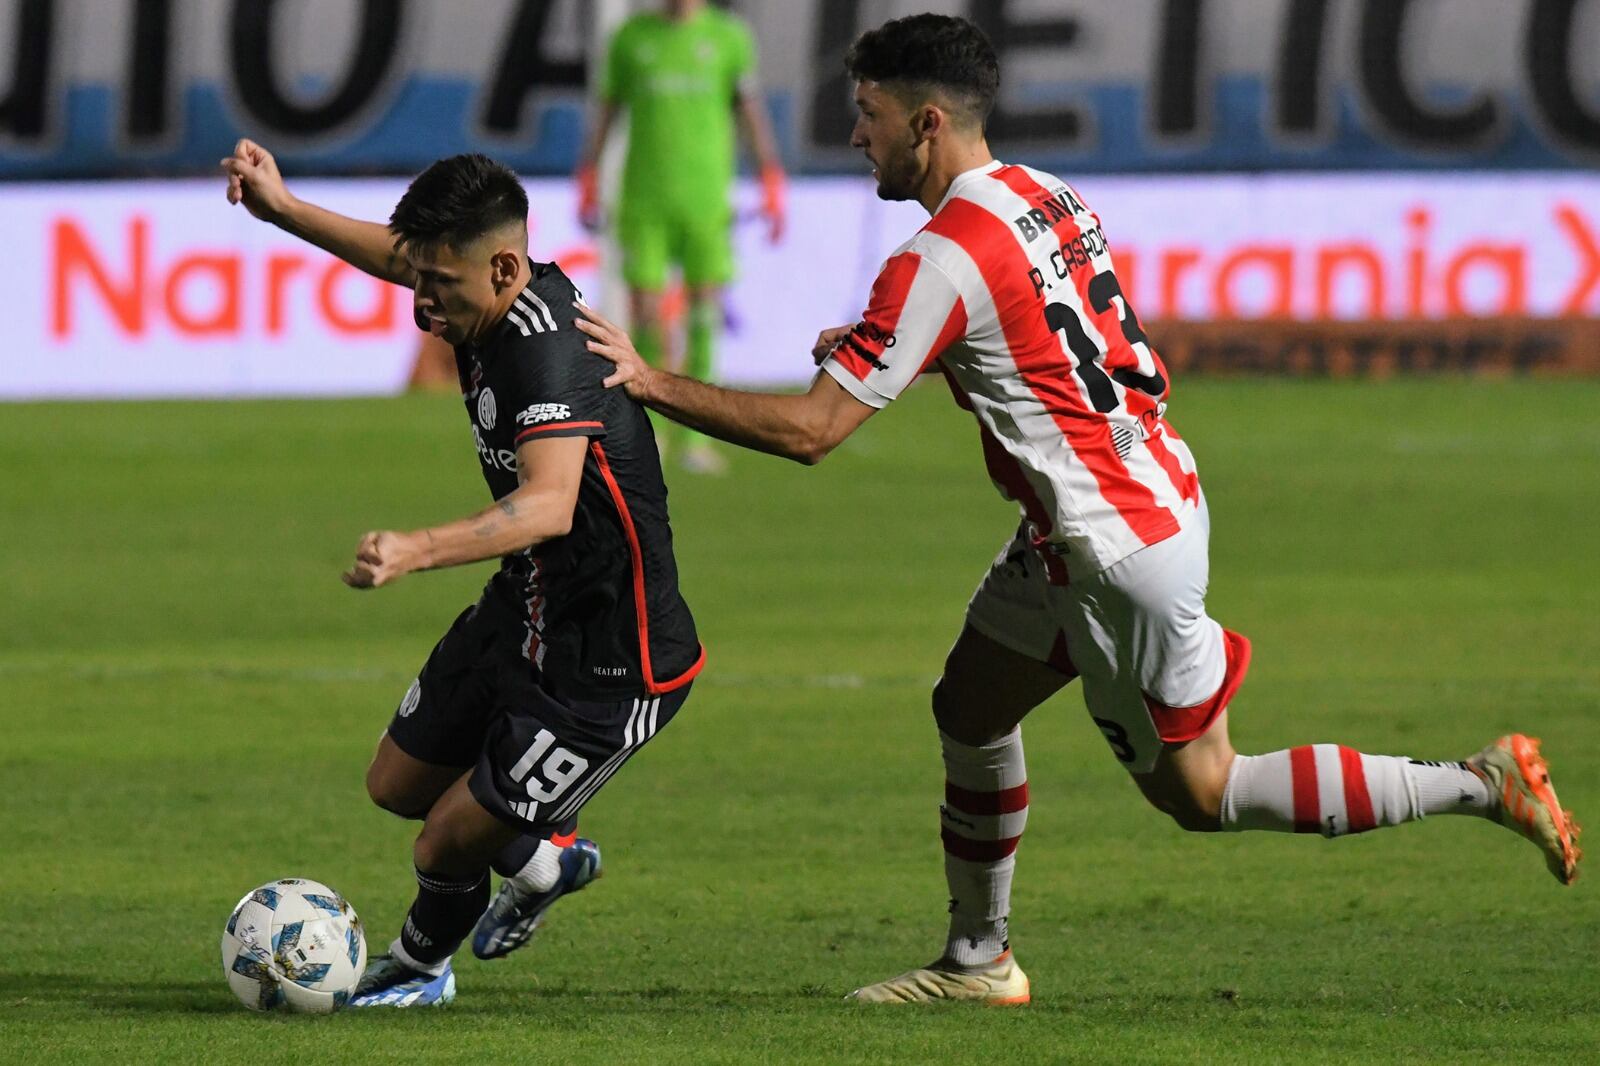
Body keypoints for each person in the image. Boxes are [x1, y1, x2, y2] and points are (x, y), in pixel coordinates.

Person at [573, 14, 1582, 1005]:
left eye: (869, 114)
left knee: (1203, 790)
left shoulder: (935, 261)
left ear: (926, 122)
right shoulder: (1044, 195)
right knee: (969, 706)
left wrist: (649, 381)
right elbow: (1045, 349)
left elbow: (811, 431)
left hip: (1110, 548)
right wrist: (911, 345)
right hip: (1138, 494)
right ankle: (978, 960)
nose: (855, 135)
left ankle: (1479, 781)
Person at [221, 143, 704, 1007]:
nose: (421, 301)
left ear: (504, 268)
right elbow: (403, 255)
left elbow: (549, 504)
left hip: (610, 658)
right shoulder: (479, 290)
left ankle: (419, 969)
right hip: (528, 603)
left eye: (438, 285)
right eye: (421, 277)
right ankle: (541, 857)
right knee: (395, 783)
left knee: (442, 843)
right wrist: (283, 208)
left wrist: (416, 548)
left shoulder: (547, 353)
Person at [575, 0, 786, 474]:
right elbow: (608, 109)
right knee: (648, 316)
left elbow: (749, 110)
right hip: (643, 203)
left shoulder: (729, 37)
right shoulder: (631, 39)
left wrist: (770, 176)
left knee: (704, 315)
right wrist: (588, 172)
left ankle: (697, 437)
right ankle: (648, 428)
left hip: (706, 202)